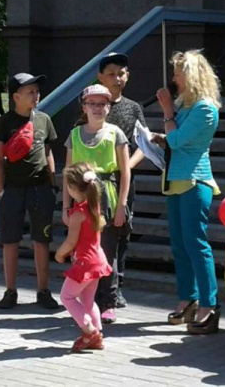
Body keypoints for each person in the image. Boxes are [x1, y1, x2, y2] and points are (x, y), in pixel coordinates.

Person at [152, 50, 222, 335]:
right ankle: (187, 298)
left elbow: (178, 140)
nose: (174, 79)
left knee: (196, 244)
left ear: (191, 76)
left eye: (178, 73)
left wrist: (167, 113)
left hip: (195, 182)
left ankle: (209, 305)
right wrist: (159, 137)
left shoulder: (205, 108)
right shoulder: (186, 106)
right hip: (176, 181)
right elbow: (173, 139)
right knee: (180, 246)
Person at [63, 84, 130, 324]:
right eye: (92, 103)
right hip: (81, 200)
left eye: (102, 104)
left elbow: (125, 171)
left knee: (107, 251)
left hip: (107, 197)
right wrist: (65, 207)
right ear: (84, 107)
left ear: (109, 107)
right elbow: (67, 174)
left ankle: (108, 301)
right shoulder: (74, 135)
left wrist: (121, 205)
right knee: (84, 250)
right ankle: (85, 299)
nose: (97, 108)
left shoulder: (115, 133)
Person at [0, 73, 59, 310]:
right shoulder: (4, 123)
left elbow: (48, 152)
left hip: (41, 189)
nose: (36, 95)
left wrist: (52, 184)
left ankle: (43, 291)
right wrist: (0, 190)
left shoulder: (44, 120)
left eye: (37, 91)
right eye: (30, 92)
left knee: (41, 240)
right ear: (16, 97)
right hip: (12, 190)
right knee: (10, 240)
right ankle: (10, 291)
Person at [98, 52, 146, 309]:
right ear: (100, 77)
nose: (118, 79)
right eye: (112, 74)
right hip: (97, 182)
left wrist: (127, 165)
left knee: (122, 233)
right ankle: (98, 286)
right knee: (98, 234)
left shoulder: (133, 107)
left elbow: (143, 144)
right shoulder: (93, 104)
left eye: (122, 73)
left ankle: (117, 289)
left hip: (124, 181)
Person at [56, 162, 113, 353]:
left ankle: (90, 332)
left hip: (85, 263)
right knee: (88, 301)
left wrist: (59, 253)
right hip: (97, 260)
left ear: (73, 188)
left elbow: (70, 242)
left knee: (67, 296)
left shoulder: (78, 214)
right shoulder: (93, 205)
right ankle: (97, 335)